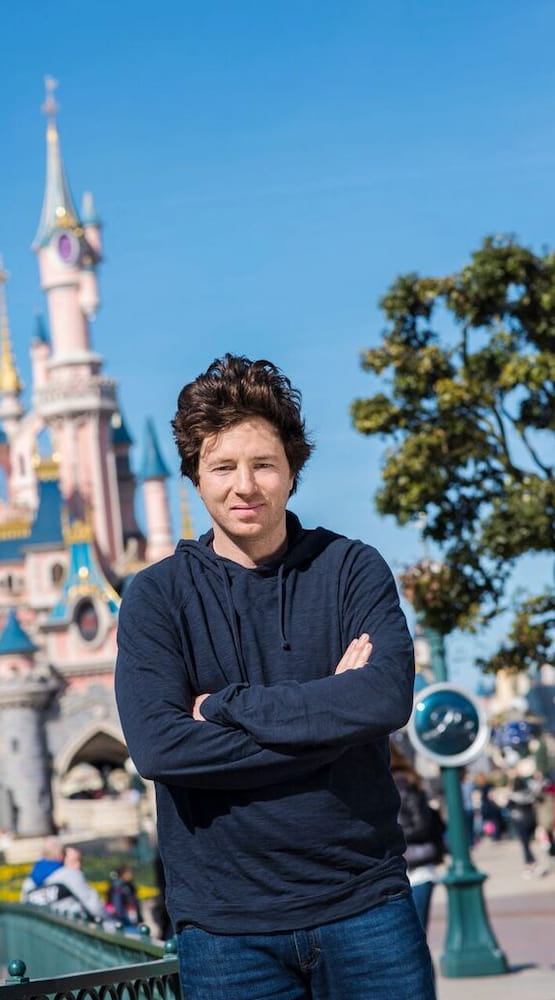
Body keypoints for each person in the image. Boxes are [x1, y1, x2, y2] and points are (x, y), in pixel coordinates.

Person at [116, 354, 436, 999]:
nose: (245, 486)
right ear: (195, 479)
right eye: (223, 467)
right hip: (228, 932)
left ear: (292, 471)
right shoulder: (156, 598)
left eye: (263, 464)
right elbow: (161, 748)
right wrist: (330, 720)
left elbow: (383, 699)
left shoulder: (351, 569)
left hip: (365, 906)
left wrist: (224, 707)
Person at [390, 742, 445, 930]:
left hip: (417, 868)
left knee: (416, 933)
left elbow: (421, 825)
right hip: (403, 869)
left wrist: (390, 837)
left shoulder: (401, 783)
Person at [21, 842, 108, 923]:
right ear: (60, 856)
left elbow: (24, 906)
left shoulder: (29, 882)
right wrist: (110, 921)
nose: (78, 865)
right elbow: (93, 904)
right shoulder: (69, 875)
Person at [507, 775, 543, 877]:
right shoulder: (529, 794)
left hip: (521, 822)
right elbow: (540, 800)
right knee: (527, 844)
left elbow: (509, 808)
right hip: (531, 820)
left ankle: (530, 864)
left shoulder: (513, 796)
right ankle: (531, 863)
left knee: (525, 844)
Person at [106, 863, 144, 930]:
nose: (131, 875)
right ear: (123, 874)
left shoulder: (128, 886)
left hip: (130, 919)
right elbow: (118, 905)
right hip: (125, 920)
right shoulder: (119, 887)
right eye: (129, 873)